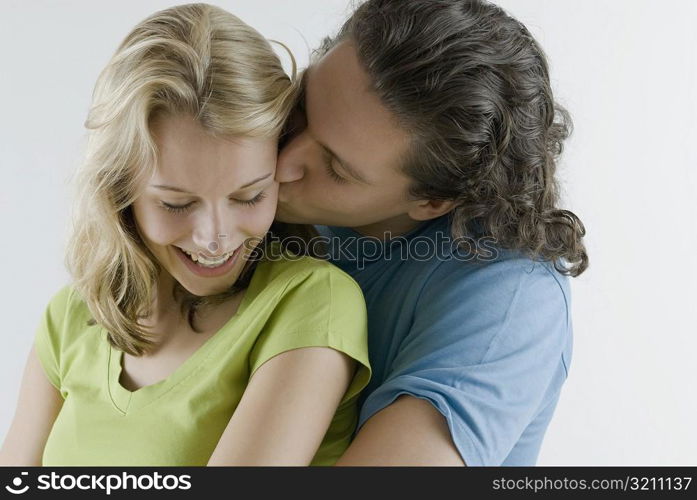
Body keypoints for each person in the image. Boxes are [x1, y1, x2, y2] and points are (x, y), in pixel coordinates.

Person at [0, 3, 370, 466]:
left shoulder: (312, 302)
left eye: (249, 196)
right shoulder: (71, 318)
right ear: (120, 191)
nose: (214, 238)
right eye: (176, 203)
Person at [275, 0, 588, 466]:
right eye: (301, 109)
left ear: (432, 202)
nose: (280, 162)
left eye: (337, 169)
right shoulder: (258, 185)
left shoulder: (511, 301)